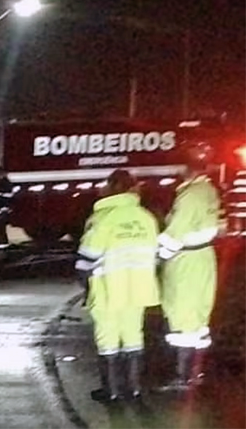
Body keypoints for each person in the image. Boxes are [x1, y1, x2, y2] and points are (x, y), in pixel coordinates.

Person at [75, 169, 160, 402]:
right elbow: (155, 255)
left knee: (107, 338)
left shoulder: (102, 218)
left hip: (108, 289)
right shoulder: (146, 218)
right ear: (133, 188)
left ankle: (111, 391)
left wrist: (85, 287)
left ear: (110, 187)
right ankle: (135, 389)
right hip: (139, 288)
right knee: (134, 335)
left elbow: (87, 258)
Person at [156, 142, 221, 391]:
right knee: (198, 316)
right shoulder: (207, 190)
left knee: (182, 315)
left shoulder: (189, 195)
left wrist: (159, 255)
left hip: (186, 263)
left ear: (186, 169)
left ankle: (183, 377)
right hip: (203, 259)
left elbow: (175, 233)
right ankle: (195, 372)